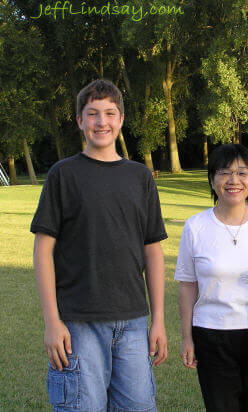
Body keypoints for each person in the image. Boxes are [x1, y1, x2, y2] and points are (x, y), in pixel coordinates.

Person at [31, 79, 168, 411]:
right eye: (92, 114)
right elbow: (42, 250)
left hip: (133, 321)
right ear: (79, 121)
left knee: (138, 405)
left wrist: (159, 319)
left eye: (109, 113)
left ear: (120, 120)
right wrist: (52, 321)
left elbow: (153, 251)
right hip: (79, 322)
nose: (101, 122)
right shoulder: (63, 175)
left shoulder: (140, 177)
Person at [176, 144, 248, 412]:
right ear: (212, 179)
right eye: (224, 172)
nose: (234, 181)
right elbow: (187, 285)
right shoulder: (196, 226)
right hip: (212, 336)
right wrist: (186, 337)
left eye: (242, 172)